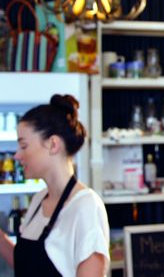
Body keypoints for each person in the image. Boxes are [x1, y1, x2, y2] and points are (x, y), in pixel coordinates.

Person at [0, 94, 110, 277]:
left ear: (53, 144)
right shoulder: (38, 200)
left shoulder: (86, 206)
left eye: (24, 146)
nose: (17, 156)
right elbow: (27, 264)